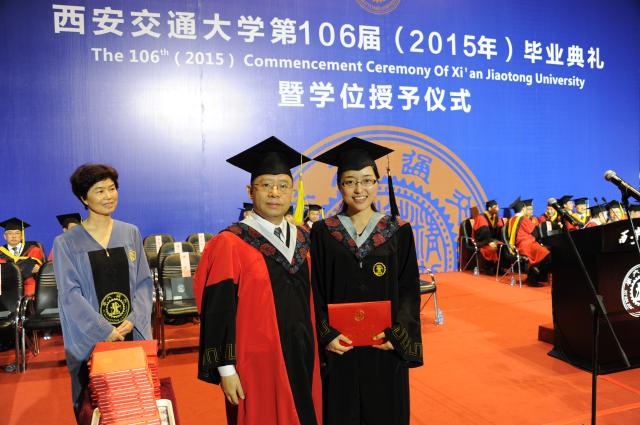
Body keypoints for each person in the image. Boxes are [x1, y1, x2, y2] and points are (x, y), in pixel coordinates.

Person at [194, 136, 322, 425]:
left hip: (307, 355)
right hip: (256, 362)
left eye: (283, 186)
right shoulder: (231, 242)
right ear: (250, 191)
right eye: (266, 185)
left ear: (292, 192)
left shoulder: (305, 238)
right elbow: (217, 312)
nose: (275, 193)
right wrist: (226, 369)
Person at [311, 137, 423, 425]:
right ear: (339, 186)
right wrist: (326, 334)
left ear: (377, 184)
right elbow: (315, 288)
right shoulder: (323, 232)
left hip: (384, 346)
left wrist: (398, 335)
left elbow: (409, 289)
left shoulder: (398, 230)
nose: (359, 190)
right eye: (350, 182)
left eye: (367, 181)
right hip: (341, 347)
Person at [52, 164, 153, 421]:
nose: (109, 196)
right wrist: (104, 330)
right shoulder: (66, 243)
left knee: (135, 405)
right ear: (84, 198)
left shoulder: (130, 233)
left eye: (112, 188)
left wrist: (134, 318)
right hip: (92, 339)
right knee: (98, 409)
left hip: (132, 332)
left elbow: (144, 282)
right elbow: (70, 294)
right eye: (100, 191)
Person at [507, 197, 551, 287]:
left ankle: (533, 276)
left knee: (543, 253)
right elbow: (535, 233)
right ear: (523, 209)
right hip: (527, 246)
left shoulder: (511, 220)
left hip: (517, 246)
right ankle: (533, 278)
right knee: (548, 255)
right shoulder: (523, 219)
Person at [0, 217, 45, 297]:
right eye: (10, 233)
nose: (14, 236)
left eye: (17, 233)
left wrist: (39, 269)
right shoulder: (1, 252)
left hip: (30, 290)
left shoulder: (34, 250)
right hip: (6, 290)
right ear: (4, 236)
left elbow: (44, 271)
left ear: (21, 236)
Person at [471, 200, 503, 273]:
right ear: (489, 208)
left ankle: (498, 268)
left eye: (497, 207)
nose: (498, 209)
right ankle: (489, 268)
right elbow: (484, 232)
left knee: (502, 246)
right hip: (481, 241)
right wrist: (489, 242)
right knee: (491, 248)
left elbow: (500, 228)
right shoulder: (481, 217)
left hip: (491, 239)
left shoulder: (495, 217)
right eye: (495, 207)